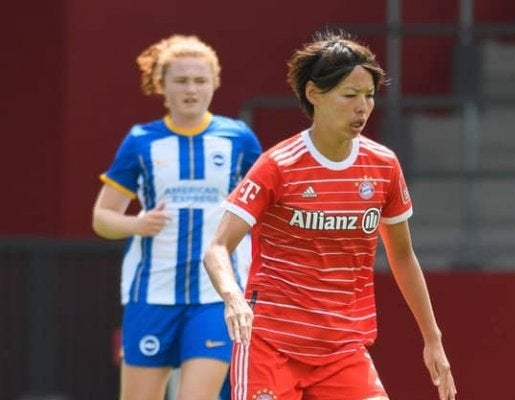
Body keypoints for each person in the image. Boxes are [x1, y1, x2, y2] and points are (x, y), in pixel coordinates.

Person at [202, 30, 457, 400]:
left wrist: (433, 339)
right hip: (271, 344)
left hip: (342, 350)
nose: (362, 107)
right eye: (350, 95)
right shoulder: (278, 165)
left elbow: (402, 256)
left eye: (369, 96)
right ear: (313, 94)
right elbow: (217, 248)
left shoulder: (383, 166)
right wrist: (233, 297)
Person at [92, 34, 262, 400]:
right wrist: (137, 224)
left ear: (214, 84)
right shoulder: (141, 141)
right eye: (181, 80)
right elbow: (102, 218)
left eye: (200, 80)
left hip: (216, 295)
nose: (191, 89)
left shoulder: (239, 139)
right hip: (151, 292)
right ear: (162, 86)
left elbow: (266, 206)